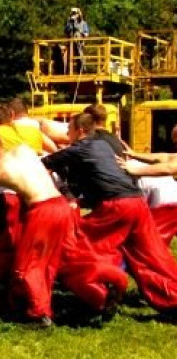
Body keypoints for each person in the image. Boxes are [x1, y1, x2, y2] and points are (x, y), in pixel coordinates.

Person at [0, 134, 127, 325]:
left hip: (42, 211)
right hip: (62, 205)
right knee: (69, 257)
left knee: (29, 265)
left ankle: (38, 314)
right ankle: (110, 286)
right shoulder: (24, 150)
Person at [45, 114, 177, 315]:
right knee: (152, 255)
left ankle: (102, 293)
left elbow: (43, 163)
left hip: (116, 205)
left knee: (78, 245)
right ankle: (174, 298)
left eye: (69, 130)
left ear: (80, 131)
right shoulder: (102, 145)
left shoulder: (79, 148)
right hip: (137, 203)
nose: (66, 134)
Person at [64, 7, 89, 73]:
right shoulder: (69, 22)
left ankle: (82, 70)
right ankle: (66, 72)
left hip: (79, 44)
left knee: (80, 57)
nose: (74, 15)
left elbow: (86, 33)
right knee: (66, 58)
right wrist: (70, 23)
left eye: (75, 13)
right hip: (70, 44)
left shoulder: (83, 23)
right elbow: (66, 31)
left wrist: (80, 32)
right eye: (73, 13)